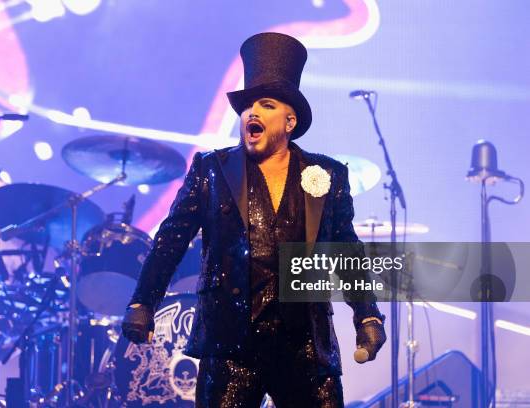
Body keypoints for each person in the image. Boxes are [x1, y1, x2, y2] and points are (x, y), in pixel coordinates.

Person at [121, 32, 386, 407]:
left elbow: (347, 250)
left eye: (266, 104)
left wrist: (367, 315)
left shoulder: (326, 175)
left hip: (305, 346)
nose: (252, 113)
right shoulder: (211, 170)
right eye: (247, 107)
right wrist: (142, 302)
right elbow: (171, 240)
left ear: (290, 120)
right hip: (231, 344)